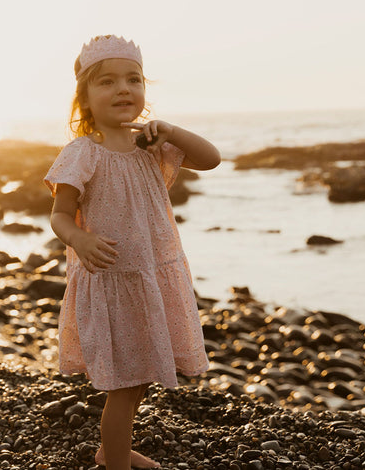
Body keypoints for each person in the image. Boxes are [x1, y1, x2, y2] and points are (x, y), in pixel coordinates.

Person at [44, 35, 221, 470]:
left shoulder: (152, 144)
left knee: (140, 379)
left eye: (133, 79)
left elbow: (211, 158)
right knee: (125, 386)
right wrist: (80, 240)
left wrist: (172, 130)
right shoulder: (82, 153)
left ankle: (113, 451)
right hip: (113, 282)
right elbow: (60, 215)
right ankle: (114, 463)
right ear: (84, 98)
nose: (123, 89)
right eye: (107, 81)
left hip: (154, 277)